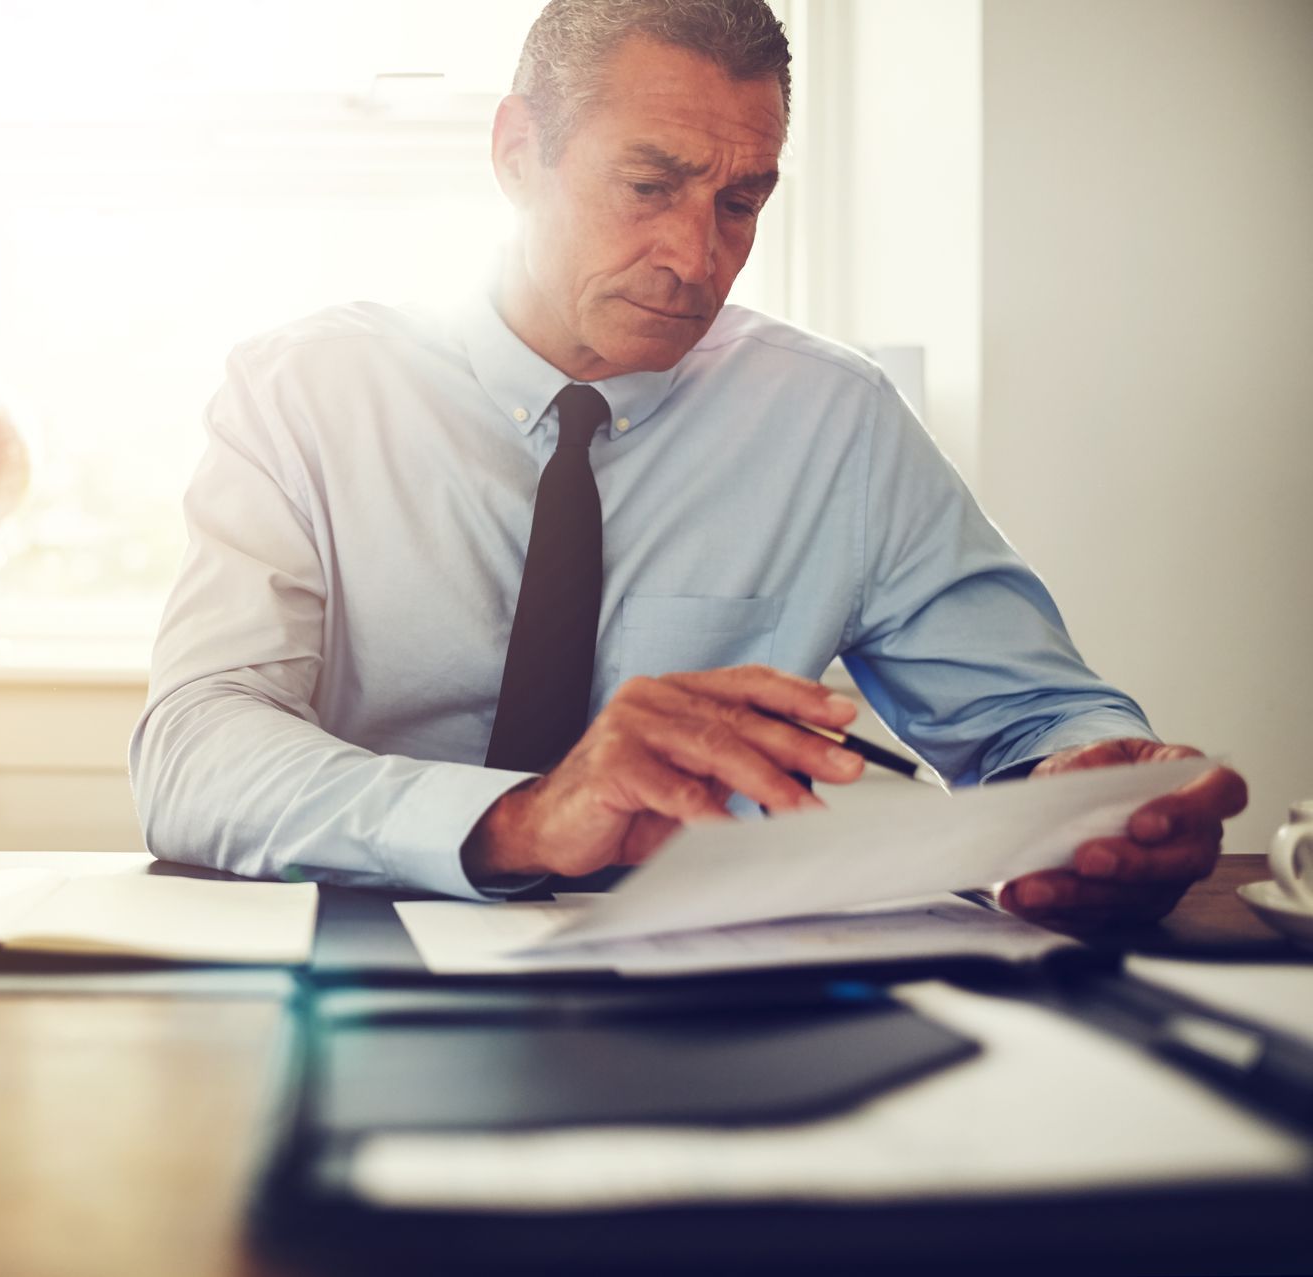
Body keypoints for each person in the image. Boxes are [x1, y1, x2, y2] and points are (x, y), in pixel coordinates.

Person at [128, 0, 1245, 931]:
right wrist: (524, 817)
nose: (694, 255)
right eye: (649, 185)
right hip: (356, 968)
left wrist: (1099, 785)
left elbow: (1036, 718)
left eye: (740, 200)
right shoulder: (305, 393)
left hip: (714, 983)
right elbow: (195, 750)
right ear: (518, 153)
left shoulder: (835, 421)